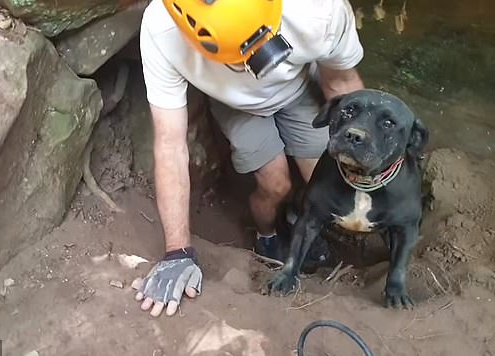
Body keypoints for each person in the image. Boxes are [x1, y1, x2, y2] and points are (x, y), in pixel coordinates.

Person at [131, 0, 366, 317]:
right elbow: (170, 145)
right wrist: (177, 253)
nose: (257, 69)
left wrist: (369, 161)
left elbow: (340, 84)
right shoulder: (163, 29)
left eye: (264, 43)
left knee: (325, 185)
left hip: (298, 90)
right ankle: (267, 238)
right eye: (240, 57)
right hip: (237, 107)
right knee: (276, 185)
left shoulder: (319, 10)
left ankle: (299, 221)